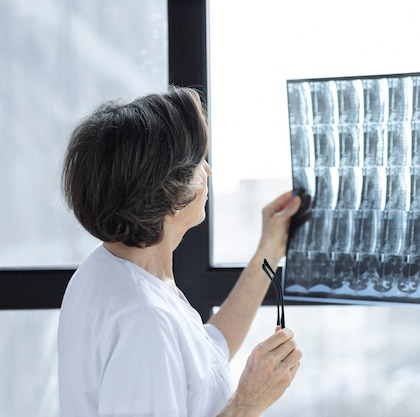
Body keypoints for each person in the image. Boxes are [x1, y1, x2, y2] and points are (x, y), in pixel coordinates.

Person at [57, 86, 303, 417]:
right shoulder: (144, 322)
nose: (209, 171)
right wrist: (248, 402)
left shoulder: (109, 269)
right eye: (199, 162)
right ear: (171, 195)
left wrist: (268, 251)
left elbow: (205, 358)